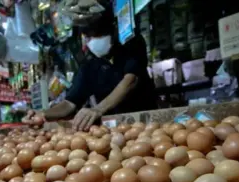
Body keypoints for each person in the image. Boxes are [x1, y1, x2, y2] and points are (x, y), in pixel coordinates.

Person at [25, 2, 156, 130]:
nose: (92, 40)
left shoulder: (131, 44)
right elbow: (69, 103)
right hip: (113, 129)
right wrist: (43, 114)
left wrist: (98, 109)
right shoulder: (89, 65)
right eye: (88, 36)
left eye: (97, 34)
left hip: (146, 120)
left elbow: (131, 80)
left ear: (112, 30)